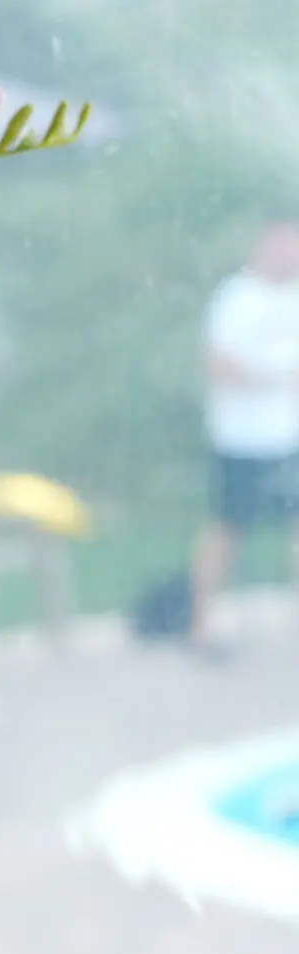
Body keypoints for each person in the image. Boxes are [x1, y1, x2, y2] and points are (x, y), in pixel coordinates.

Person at [193, 222, 299, 648]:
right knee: (227, 528)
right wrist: (274, 377)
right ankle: (202, 623)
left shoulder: (293, 297)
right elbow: (218, 365)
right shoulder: (235, 298)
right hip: (240, 440)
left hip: (288, 437)